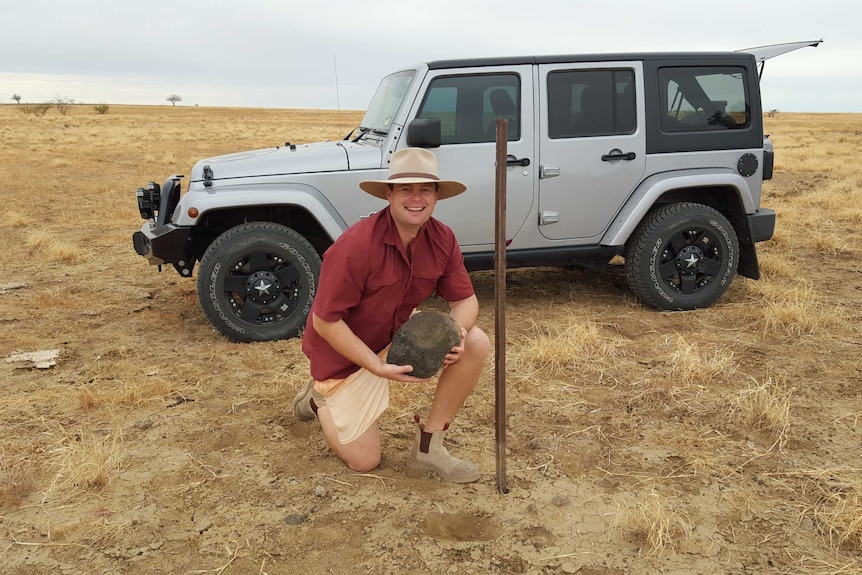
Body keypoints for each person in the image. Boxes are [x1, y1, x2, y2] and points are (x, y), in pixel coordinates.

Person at [294, 147, 490, 483]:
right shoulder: (355, 246)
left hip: (394, 342)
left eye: (425, 189)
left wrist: (455, 333)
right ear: (389, 194)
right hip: (342, 358)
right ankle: (319, 398)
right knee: (365, 461)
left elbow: (467, 301)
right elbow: (324, 322)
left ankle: (429, 447)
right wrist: (375, 367)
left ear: (437, 195)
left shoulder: (442, 238)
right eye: (406, 189)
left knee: (476, 342)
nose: (416, 198)